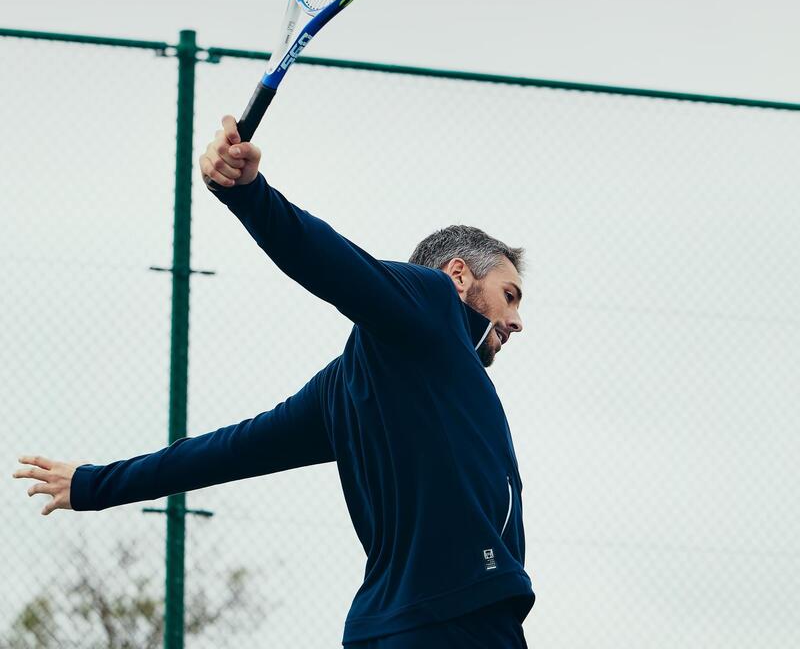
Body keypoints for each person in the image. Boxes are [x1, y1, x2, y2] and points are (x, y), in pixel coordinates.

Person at [14, 116, 535, 648]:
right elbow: (330, 262)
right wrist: (249, 194)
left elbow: (228, 451)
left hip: (386, 629)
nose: (516, 321)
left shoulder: (347, 390)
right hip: (457, 624)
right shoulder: (433, 304)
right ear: (457, 276)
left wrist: (93, 484)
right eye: (509, 295)